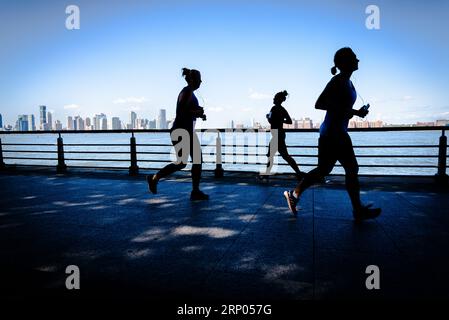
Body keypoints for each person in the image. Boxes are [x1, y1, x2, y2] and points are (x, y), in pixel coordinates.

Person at [283, 47, 381, 221]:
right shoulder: (337, 81)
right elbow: (319, 103)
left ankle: (294, 194)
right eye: (354, 58)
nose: (358, 60)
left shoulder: (349, 82)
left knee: (324, 170)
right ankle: (357, 210)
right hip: (333, 133)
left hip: (336, 131)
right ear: (344, 62)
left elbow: (340, 108)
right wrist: (352, 112)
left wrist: (355, 112)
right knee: (349, 169)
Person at [146, 68, 209, 201]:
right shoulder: (185, 92)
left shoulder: (191, 93)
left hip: (188, 132)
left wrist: (199, 113)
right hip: (181, 131)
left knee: (197, 160)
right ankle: (154, 178)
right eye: (199, 80)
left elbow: (188, 111)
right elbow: (181, 112)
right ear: (192, 79)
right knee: (182, 163)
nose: (200, 83)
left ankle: (195, 191)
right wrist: (196, 113)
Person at [261, 90, 304, 180]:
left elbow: (271, 121)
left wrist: (267, 117)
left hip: (276, 135)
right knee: (284, 156)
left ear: (278, 99)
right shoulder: (283, 109)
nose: (273, 99)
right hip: (280, 134)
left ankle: (266, 175)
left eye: (274, 98)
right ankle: (298, 173)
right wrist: (281, 120)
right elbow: (289, 121)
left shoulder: (273, 108)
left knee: (273, 156)